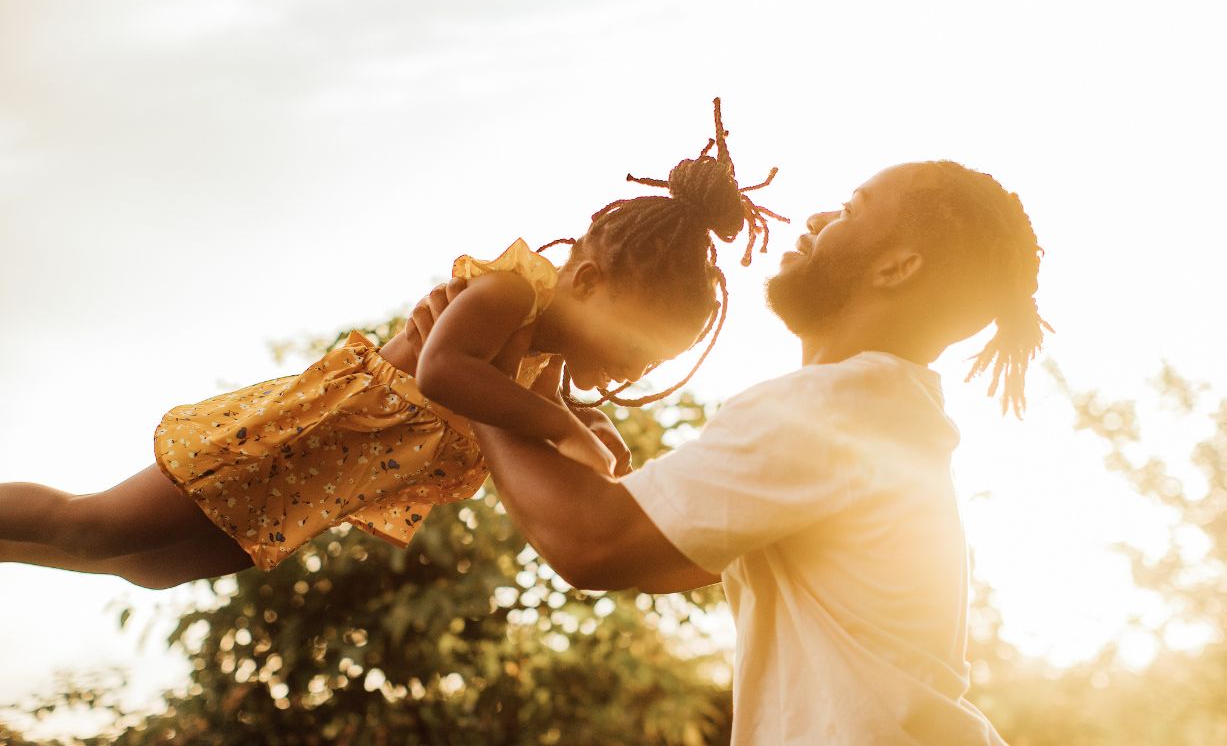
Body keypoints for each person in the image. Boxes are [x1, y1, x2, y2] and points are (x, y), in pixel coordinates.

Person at [0, 99, 785, 589]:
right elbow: (446, 372)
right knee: (94, 525)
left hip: (316, 492)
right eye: (635, 346)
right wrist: (565, 427)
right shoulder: (508, 291)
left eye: (651, 364)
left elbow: (556, 430)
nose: (634, 369)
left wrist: (589, 432)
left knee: (151, 569)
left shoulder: (540, 364)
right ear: (585, 282)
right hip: (291, 441)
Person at [425, 159, 1047, 744]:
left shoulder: (832, 408)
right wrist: (578, 447)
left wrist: (484, 380)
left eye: (851, 210)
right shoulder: (882, 410)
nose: (818, 219)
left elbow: (593, 543)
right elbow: (668, 555)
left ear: (897, 268)